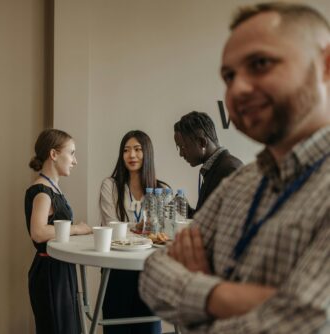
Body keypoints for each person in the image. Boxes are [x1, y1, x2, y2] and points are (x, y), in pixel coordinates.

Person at [139, 2, 330, 333]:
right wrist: (225, 295)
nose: (237, 88)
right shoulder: (242, 183)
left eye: (260, 63)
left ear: (325, 65)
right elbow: (153, 274)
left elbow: (305, 321)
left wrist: (197, 293)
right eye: (229, 76)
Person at [99, 130, 170, 334]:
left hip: (149, 270)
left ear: (147, 153)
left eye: (138, 150)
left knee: (149, 328)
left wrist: (132, 228)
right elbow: (110, 225)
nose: (132, 155)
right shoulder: (110, 186)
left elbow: (164, 232)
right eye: (126, 150)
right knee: (116, 328)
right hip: (117, 269)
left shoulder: (162, 190)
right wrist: (138, 228)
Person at [25, 128, 92, 334]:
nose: (75, 160)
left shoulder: (53, 189)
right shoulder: (42, 191)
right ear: (54, 155)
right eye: (71, 153)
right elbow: (38, 232)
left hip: (60, 269)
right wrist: (78, 229)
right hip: (50, 272)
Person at [174, 111, 243, 217]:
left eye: (183, 147)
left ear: (202, 142)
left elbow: (229, 225)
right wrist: (187, 211)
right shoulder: (214, 167)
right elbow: (208, 221)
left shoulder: (230, 170)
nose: (181, 154)